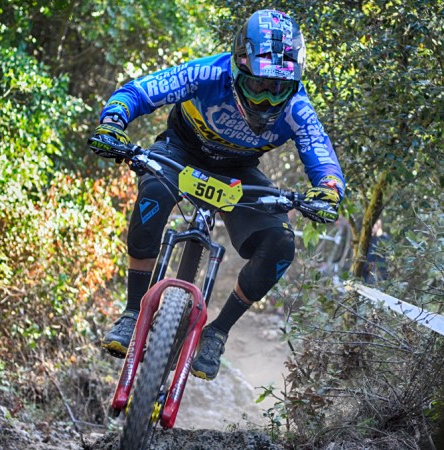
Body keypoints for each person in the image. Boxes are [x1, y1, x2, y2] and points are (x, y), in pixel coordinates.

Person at [90, 9, 345, 380]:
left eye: (279, 89)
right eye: (258, 85)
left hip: (237, 171)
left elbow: (321, 155)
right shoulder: (207, 73)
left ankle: (217, 333)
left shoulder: (297, 109)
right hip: (182, 151)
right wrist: (114, 121)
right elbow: (140, 91)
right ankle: (132, 312)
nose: (267, 100)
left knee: (280, 244)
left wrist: (328, 190)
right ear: (238, 66)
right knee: (154, 193)